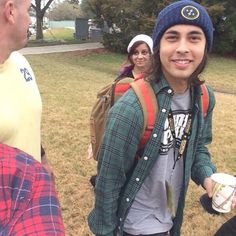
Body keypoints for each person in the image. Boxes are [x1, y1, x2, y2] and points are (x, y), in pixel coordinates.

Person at [87, 1, 230, 235]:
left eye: (194, 38)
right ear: (159, 47)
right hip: (136, 224)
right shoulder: (132, 107)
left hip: (170, 219)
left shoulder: (204, 96)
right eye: (172, 37)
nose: (183, 48)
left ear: (206, 47)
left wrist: (207, 177)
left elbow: (198, 148)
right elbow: (108, 181)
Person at [0, 0, 64, 234]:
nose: (30, 20)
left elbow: (25, 118)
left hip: (30, 206)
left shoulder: (20, 62)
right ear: (10, 11)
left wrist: (42, 159)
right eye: (28, 11)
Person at [88, 34, 154, 187]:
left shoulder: (157, 78)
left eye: (144, 52)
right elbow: (111, 111)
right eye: (135, 53)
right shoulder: (123, 80)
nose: (140, 57)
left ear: (152, 54)